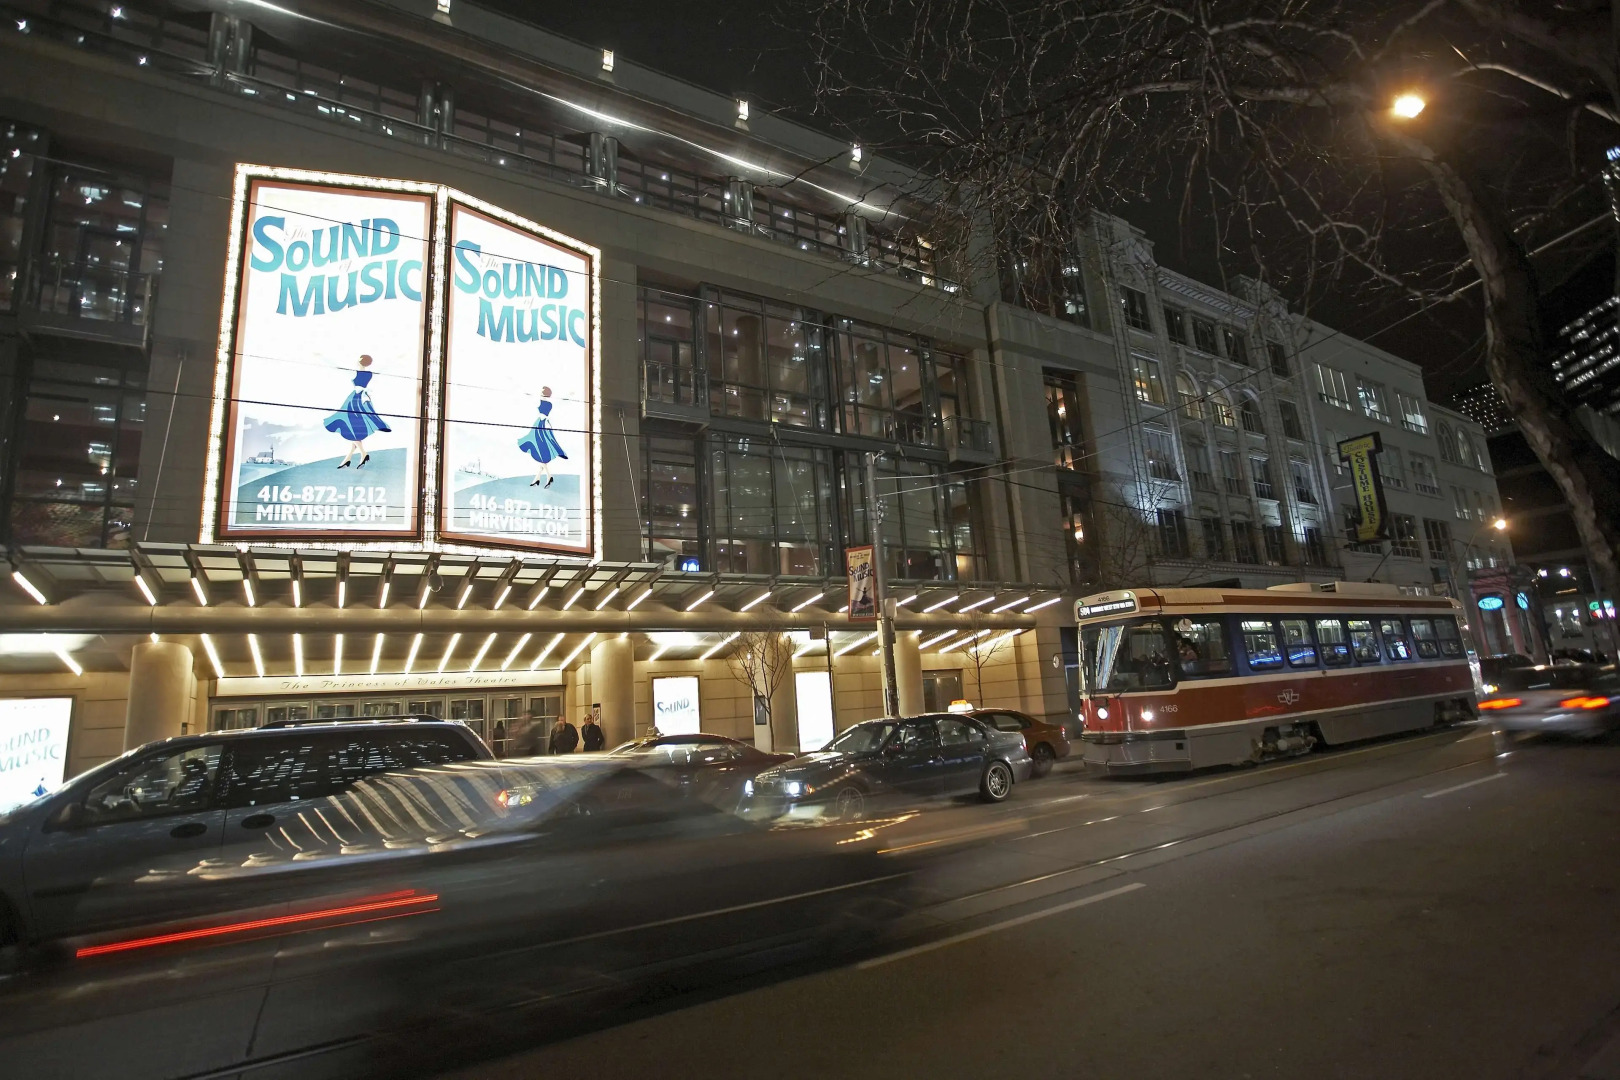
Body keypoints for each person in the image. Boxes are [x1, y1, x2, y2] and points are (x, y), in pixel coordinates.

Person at [324, 354, 390, 469]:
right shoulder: (370, 374)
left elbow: (336, 366)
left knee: (348, 424)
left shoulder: (354, 373)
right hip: (364, 400)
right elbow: (385, 368)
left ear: (359, 362)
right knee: (354, 428)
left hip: (355, 400)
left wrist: (322, 357)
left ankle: (363, 453)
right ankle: (348, 459)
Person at [518, 386, 568, 488]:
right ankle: (539, 478)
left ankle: (548, 476)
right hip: (544, 424)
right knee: (541, 448)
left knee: (538, 447)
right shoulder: (549, 404)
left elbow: (533, 400)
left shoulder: (541, 402)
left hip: (540, 425)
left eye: (541, 392)